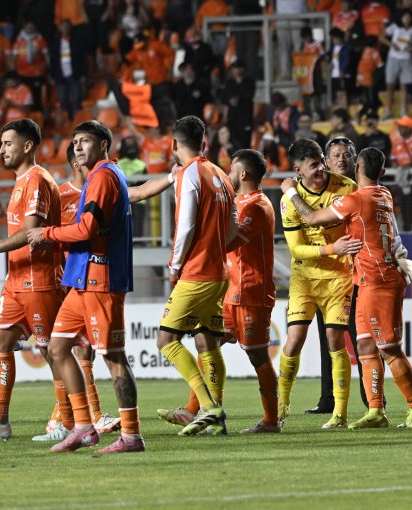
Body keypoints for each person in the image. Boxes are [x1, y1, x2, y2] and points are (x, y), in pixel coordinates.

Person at [281, 147, 412, 429]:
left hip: (379, 282)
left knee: (389, 349)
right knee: (364, 344)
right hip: (365, 280)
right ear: (382, 173)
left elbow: (312, 219)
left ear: (356, 170)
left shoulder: (355, 200)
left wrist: (291, 192)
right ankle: (375, 411)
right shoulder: (383, 193)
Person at [26, 120, 143, 453]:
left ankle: (132, 435)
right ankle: (83, 427)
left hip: (100, 281)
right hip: (81, 282)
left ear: (103, 144)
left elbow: (87, 229)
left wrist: (46, 235)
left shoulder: (105, 177)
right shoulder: (98, 177)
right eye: (75, 141)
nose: (78, 146)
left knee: (114, 357)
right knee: (57, 348)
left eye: (86, 141)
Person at [0, 120, 67, 441]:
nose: (1, 149)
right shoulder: (22, 182)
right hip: (17, 281)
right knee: (0, 341)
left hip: (40, 280)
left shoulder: (36, 180)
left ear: (27, 146)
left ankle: (66, 420)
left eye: (8, 143)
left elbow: (30, 232)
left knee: (51, 351)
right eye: (2, 143)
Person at [155, 116, 235, 437]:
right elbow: (232, 228)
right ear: (204, 141)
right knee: (207, 341)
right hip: (220, 271)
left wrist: (175, 264)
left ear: (174, 144)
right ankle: (214, 416)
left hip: (197, 272)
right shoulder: (221, 174)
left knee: (166, 340)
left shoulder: (189, 174)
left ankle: (208, 407)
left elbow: (185, 225)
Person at [278, 138, 360, 429]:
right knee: (294, 340)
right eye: (313, 166)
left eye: (321, 163)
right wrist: (330, 249)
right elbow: (296, 249)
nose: (321, 169)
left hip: (339, 277)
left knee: (336, 341)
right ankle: (281, 406)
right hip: (305, 278)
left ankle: (339, 413)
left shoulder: (346, 188)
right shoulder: (289, 200)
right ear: (298, 169)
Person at [224, 149, 280, 433]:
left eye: (231, 169)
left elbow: (230, 241)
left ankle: (271, 420)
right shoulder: (241, 201)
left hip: (251, 291)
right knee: (207, 340)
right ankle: (196, 410)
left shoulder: (257, 205)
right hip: (232, 289)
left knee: (257, 356)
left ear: (242, 174)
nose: (228, 174)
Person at [379, 9, 412, 118]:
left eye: (409, 17)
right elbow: (382, 37)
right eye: (405, 17)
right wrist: (392, 45)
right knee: (390, 84)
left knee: (404, 85)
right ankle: (388, 109)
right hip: (393, 57)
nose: (407, 19)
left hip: (406, 58)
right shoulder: (395, 27)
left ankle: (403, 110)